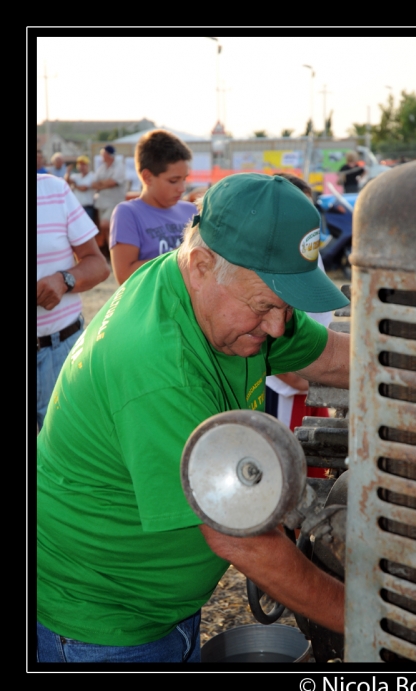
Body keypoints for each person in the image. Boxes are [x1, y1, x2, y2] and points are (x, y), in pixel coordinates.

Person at [37, 172, 350, 663]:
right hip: (106, 625)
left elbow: (332, 356)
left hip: (162, 604)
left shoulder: (199, 286)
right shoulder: (159, 367)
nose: (277, 328)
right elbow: (241, 539)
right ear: (202, 263)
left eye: (286, 308)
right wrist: (369, 620)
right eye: (266, 306)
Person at [37, 174, 110, 430]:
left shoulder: (53, 190)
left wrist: (63, 280)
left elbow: (99, 265)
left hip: (61, 349)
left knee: (69, 459)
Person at [265, 172, 331, 433]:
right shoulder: (267, 257)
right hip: (283, 383)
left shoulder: (307, 251)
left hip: (311, 369)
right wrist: (291, 376)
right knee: (285, 458)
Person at [109, 129, 198, 285]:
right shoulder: (128, 213)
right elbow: (124, 276)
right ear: (147, 177)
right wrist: (183, 259)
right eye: (173, 181)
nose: (182, 188)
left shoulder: (191, 210)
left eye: (184, 179)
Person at [92, 145, 127, 253]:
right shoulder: (102, 167)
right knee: (106, 230)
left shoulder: (119, 167)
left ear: (107, 155)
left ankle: (118, 250)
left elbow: (113, 182)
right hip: (102, 203)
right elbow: (94, 184)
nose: (102, 156)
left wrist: (102, 184)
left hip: (114, 202)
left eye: (103, 154)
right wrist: (105, 183)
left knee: (106, 224)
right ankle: (111, 252)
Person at [64, 155, 97, 222]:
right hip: (77, 208)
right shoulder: (75, 176)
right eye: (80, 164)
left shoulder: (92, 176)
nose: (81, 167)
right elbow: (67, 181)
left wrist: (74, 186)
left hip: (88, 207)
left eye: (83, 164)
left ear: (88, 166)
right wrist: (67, 172)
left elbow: (84, 188)